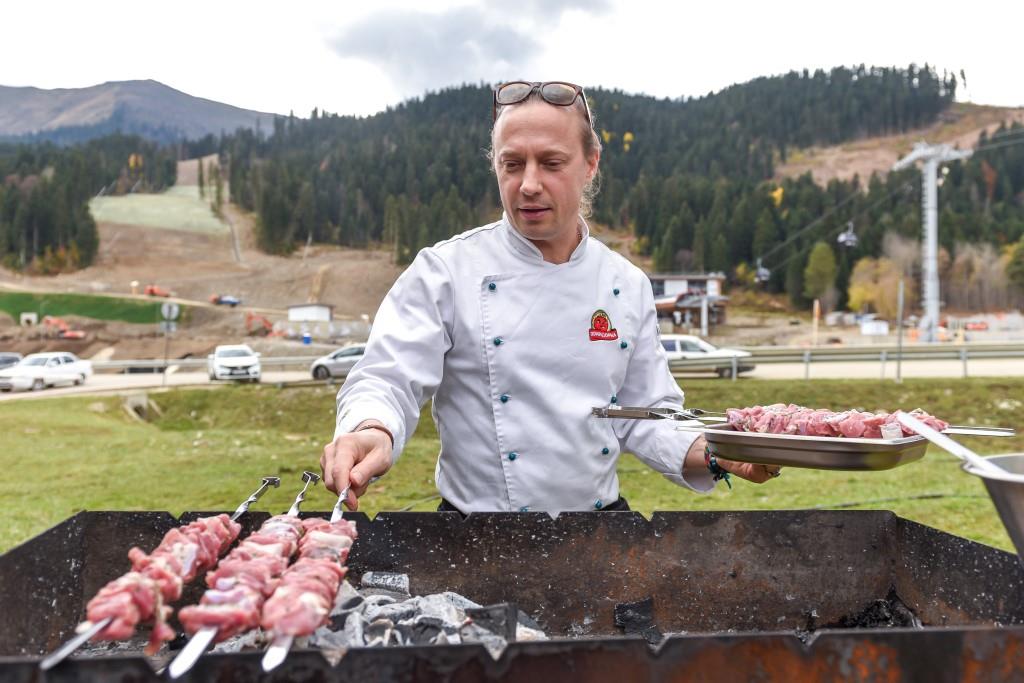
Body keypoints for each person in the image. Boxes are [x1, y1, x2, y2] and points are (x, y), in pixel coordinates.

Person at [321, 81, 778, 514]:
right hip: (476, 530)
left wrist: (722, 454)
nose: (529, 184)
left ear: (590, 163)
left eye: (551, 163)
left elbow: (648, 414)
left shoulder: (625, 282)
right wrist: (371, 427)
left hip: (599, 527)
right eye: (512, 164)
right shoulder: (445, 271)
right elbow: (387, 376)